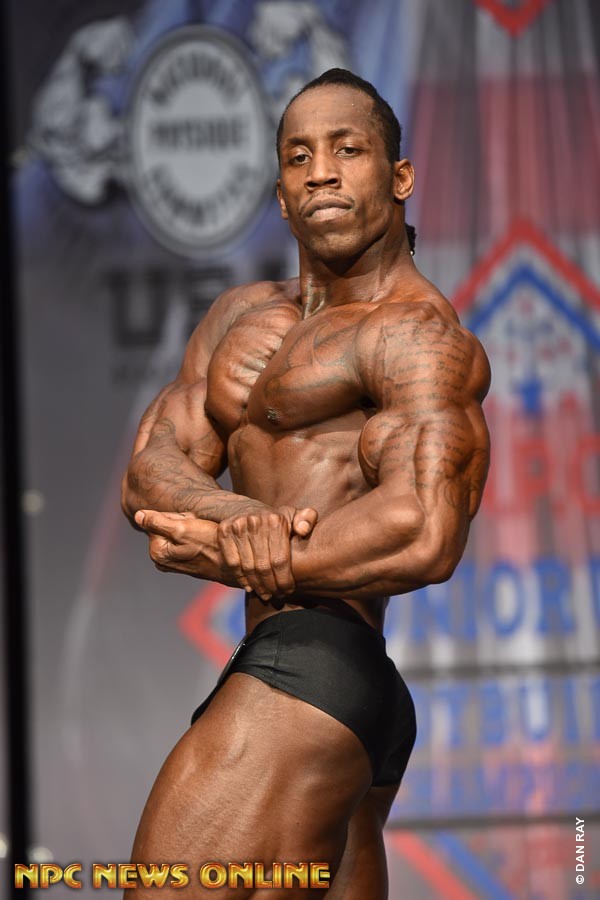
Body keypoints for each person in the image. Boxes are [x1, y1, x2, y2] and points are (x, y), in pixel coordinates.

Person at [122, 68, 490, 898]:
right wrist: (233, 518)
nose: (320, 171)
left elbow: (427, 529)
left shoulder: (415, 334)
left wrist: (265, 557)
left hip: (316, 666)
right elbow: (152, 467)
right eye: (299, 156)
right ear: (281, 196)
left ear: (399, 178)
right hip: (318, 686)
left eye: (347, 150)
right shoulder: (237, 318)